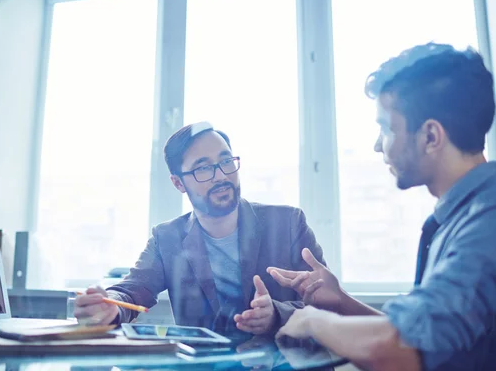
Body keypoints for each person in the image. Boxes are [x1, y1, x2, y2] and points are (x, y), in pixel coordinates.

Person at [271, 43, 496, 370]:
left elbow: (399, 349)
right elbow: (426, 338)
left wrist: (313, 321)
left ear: (430, 136)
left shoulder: (494, 222)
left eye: (386, 128)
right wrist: (340, 301)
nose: (376, 144)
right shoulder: (465, 216)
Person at [75, 122, 326, 337]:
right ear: (178, 183)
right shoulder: (167, 239)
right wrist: (110, 307)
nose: (220, 176)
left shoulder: (289, 223)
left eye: (226, 161)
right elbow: (131, 290)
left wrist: (276, 315)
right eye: (203, 168)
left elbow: (328, 304)